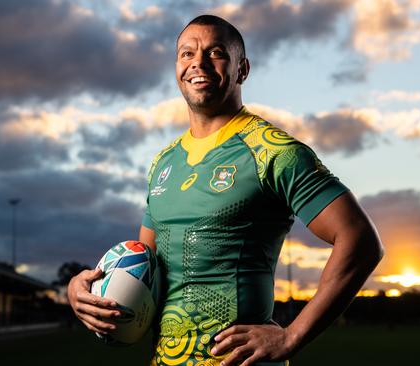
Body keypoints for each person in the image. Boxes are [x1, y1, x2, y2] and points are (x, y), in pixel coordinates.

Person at [68, 14, 384, 366]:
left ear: (242, 69)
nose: (198, 63)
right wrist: (85, 289)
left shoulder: (274, 151)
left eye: (215, 53)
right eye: (187, 53)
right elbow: (148, 264)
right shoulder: (163, 162)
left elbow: (361, 241)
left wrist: (292, 336)